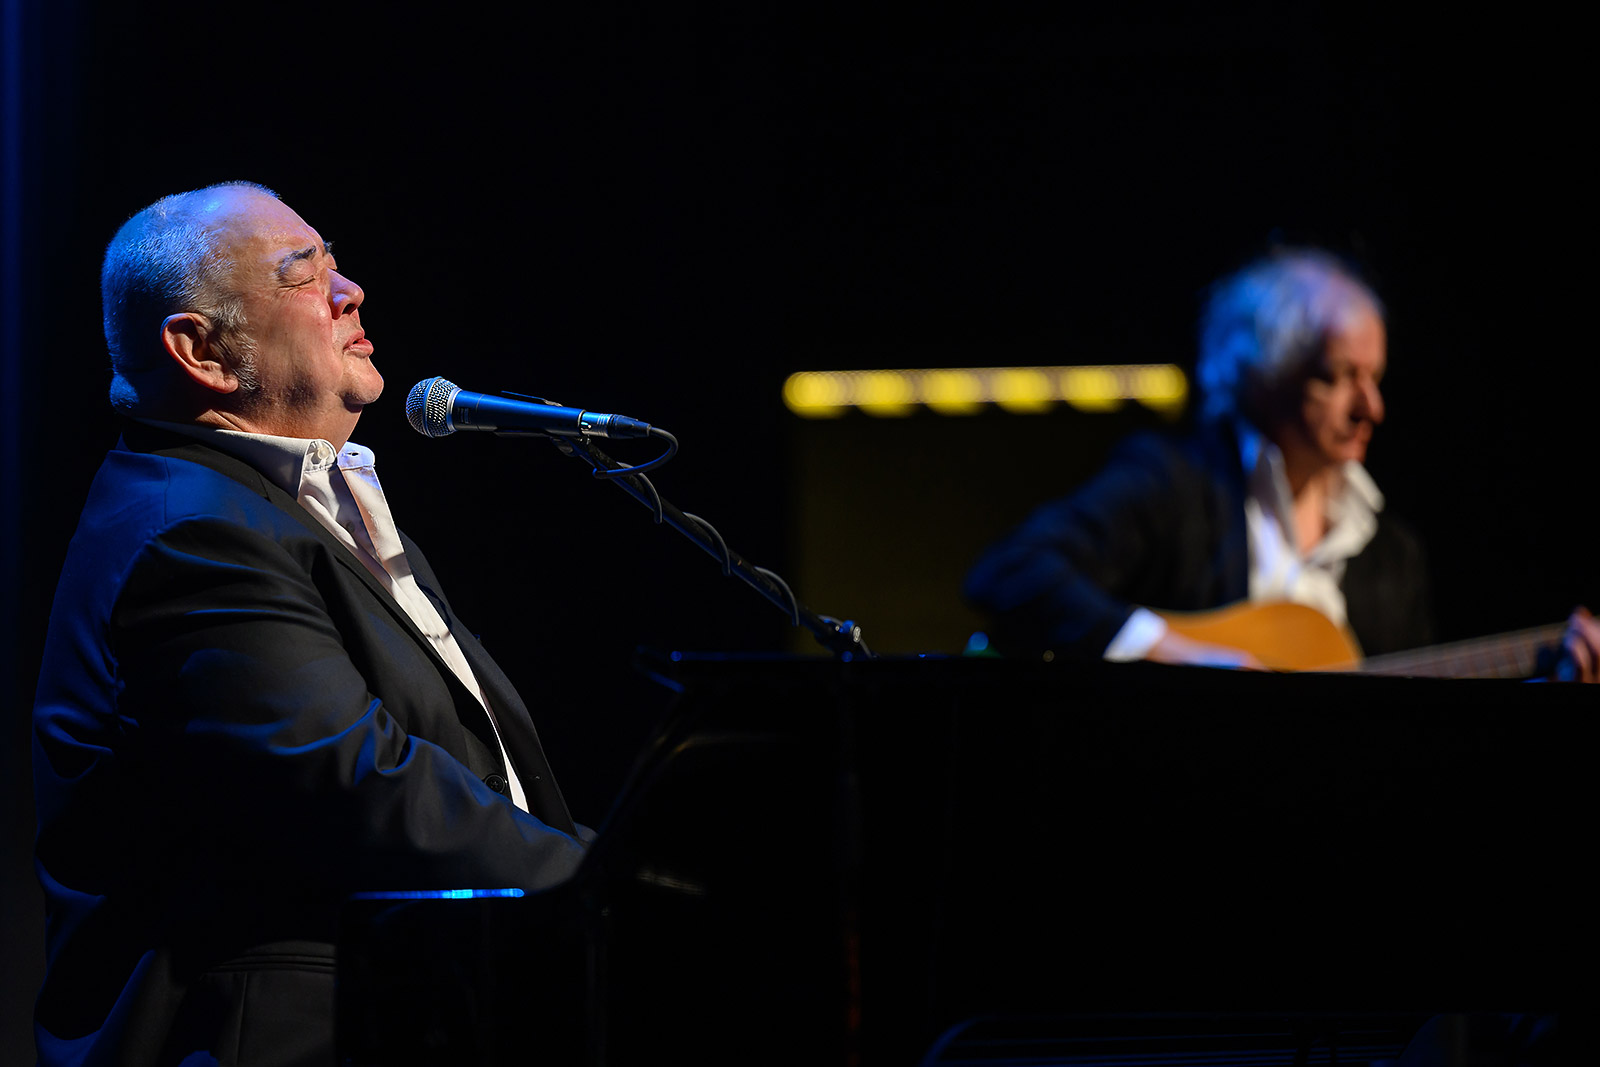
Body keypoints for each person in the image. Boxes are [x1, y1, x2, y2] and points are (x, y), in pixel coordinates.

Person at [32, 182, 590, 1066]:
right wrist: (614, 885)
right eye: (303, 275)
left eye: (336, 263)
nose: (350, 291)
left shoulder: (289, 509)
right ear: (201, 351)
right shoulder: (190, 532)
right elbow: (357, 782)